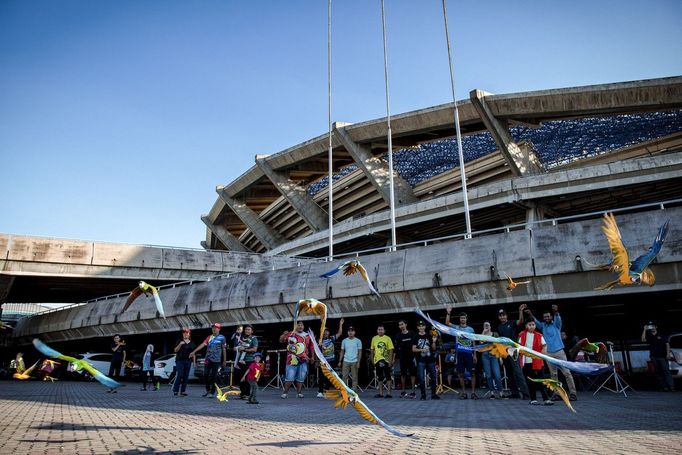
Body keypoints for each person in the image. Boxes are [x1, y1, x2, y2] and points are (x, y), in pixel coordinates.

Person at [528, 304, 577, 401]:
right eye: (545, 317)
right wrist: (530, 314)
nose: (546, 318)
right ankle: (556, 394)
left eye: (548, 316)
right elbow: (535, 321)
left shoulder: (556, 325)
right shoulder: (542, 326)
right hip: (549, 354)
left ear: (551, 317)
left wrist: (555, 312)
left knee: (567, 373)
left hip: (559, 352)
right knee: (553, 375)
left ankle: (573, 393)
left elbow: (558, 318)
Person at [497, 307, 530, 400]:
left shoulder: (511, 323)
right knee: (509, 373)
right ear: (499, 317)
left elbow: (520, 321)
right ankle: (515, 393)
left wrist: (520, 311)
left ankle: (526, 394)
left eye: (503, 315)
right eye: (500, 315)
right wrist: (500, 355)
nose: (502, 317)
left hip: (513, 350)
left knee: (518, 372)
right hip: (504, 351)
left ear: (506, 316)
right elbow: (499, 342)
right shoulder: (499, 327)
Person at [445, 305, 477, 399]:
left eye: (464, 318)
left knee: (473, 373)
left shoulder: (471, 329)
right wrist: (448, 312)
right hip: (460, 354)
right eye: (461, 318)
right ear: (459, 319)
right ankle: (463, 393)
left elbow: (474, 342)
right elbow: (447, 323)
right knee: (461, 374)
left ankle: (473, 393)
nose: (462, 319)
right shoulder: (456, 328)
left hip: (469, 353)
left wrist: (475, 355)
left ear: (466, 319)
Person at [519, 320, 553, 406]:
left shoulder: (539, 335)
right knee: (530, 381)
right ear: (526, 326)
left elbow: (544, 346)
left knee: (542, 381)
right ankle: (533, 399)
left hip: (537, 361)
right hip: (526, 362)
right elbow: (518, 347)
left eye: (533, 325)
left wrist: (541, 355)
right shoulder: (522, 334)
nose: (532, 326)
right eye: (530, 324)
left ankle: (546, 399)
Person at [190, 322, 227, 398]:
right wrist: (194, 351)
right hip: (208, 359)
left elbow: (224, 349)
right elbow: (202, 344)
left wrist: (224, 360)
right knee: (205, 375)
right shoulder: (209, 337)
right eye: (213, 327)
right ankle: (208, 390)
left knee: (214, 376)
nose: (214, 329)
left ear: (219, 329)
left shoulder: (222, 338)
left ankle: (212, 392)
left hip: (216, 360)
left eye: (216, 328)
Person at [279, 321, 313, 399]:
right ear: (295, 326)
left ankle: (299, 393)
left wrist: (312, 357)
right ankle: (285, 393)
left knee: (301, 377)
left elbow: (311, 347)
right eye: (298, 325)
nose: (300, 326)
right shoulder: (291, 334)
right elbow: (281, 340)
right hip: (291, 360)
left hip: (304, 360)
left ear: (304, 326)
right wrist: (284, 334)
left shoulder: (307, 336)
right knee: (289, 377)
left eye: (302, 325)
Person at [641, 322, 674, 392]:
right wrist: (644, 330)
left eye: (653, 326)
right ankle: (663, 387)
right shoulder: (649, 335)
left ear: (656, 327)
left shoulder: (661, 335)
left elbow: (667, 344)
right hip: (654, 357)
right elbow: (643, 340)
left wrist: (668, 354)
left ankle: (671, 386)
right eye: (651, 326)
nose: (652, 327)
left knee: (666, 371)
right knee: (658, 372)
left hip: (662, 356)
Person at [412, 320, 441, 401]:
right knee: (421, 378)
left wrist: (434, 342)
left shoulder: (429, 335)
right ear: (417, 327)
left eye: (423, 326)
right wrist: (421, 350)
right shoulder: (415, 337)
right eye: (419, 326)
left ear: (425, 327)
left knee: (434, 377)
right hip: (421, 360)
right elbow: (413, 349)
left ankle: (434, 394)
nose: (421, 327)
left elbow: (434, 348)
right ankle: (423, 395)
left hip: (430, 359)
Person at [317, 319, 344, 398]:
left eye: (327, 331)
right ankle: (320, 391)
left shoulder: (332, 338)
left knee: (330, 376)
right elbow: (317, 350)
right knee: (321, 376)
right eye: (324, 331)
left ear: (329, 332)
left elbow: (339, 333)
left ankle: (327, 390)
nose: (326, 332)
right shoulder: (319, 340)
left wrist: (340, 324)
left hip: (331, 361)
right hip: (323, 361)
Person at [394, 320, 417, 398]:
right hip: (402, 358)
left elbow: (415, 345)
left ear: (406, 324)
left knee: (412, 374)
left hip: (411, 357)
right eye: (400, 325)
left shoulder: (412, 333)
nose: (401, 326)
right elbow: (396, 348)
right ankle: (403, 392)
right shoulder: (398, 335)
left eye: (402, 324)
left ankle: (413, 392)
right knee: (403, 374)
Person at [371, 324, 394, 398]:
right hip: (377, 360)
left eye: (381, 329)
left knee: (388, 376)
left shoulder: (388, 338)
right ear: (377, 331)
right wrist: (372, 360)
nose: (380, 331)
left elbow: (391, 350)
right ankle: (380, 393)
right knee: (379, 377)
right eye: (379, 329)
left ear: (384, 331)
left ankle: (389, 393)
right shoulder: (374, 338)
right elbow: (372, 350)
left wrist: (390, 361)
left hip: (386, 360)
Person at [480, 321, 503, 399]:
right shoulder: (482, 335)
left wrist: (500, 357)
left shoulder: (495, 334)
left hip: (494, 355)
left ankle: (500, 392)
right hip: (485, 355)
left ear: (490, 327)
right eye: (485, 325)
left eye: (488, 325)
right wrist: (484, 331)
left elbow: (499, 346)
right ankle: (492, 392)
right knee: (488, 375)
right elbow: (481, 341)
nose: (486, 326)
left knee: (497, 375)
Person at [338, 326, 362, 392]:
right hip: (346, 360)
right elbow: (342, 351)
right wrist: (340, 361)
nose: (350, 332)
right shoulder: (344, 341)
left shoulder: (358, 341)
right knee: (344, 376)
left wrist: (359, 362)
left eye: (352, 331)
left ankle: (354, 391)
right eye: (349, 331)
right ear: (347, 332)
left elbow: (360, 352)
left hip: (355, 361)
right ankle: (344, 391)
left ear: (354, 332)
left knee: (354, 377)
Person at [237, 325, 258, 399]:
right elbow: (238, 346)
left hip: (249, 361)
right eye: (246, 329)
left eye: (249, 329)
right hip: (240, 360)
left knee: (247, 378)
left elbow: (255, 349)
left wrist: (244, 350)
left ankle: (247, 394)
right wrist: (237, 348)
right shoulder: (242, 338)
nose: (247, 331)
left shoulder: (254, 338)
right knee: (240, 377)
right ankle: (242, 393)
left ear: (252, 331)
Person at [173, 328, 196, 397]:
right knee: (180, 374)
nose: (185, 334)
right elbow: (175, 350)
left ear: (189, 334)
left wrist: (194, 362)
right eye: (184, 333)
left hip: (188, 361)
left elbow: (193, 353)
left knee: (186, 376)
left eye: (187, 333)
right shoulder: (179, 341)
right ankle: (175, 390)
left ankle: (183, 391)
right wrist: (180, 344)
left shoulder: (192, 343)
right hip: (180, 361)